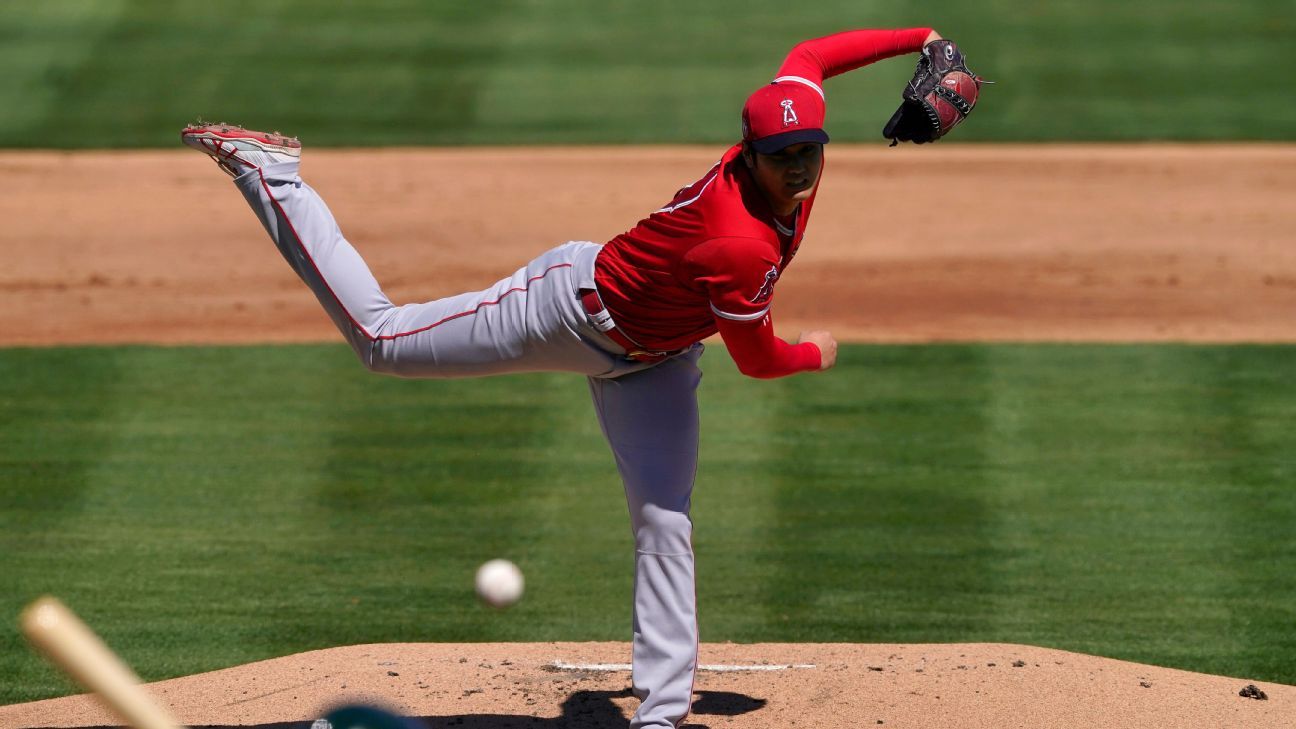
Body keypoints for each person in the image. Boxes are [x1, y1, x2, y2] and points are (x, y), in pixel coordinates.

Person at [182, 26, 942, 729]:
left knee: (664, 516)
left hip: (658, 359)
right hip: (568, 312)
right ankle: (273, 177)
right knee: (384, 341)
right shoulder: (736, 242)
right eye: (785, 157)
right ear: (750, 153)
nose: (802, 165)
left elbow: (810, 56)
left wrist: (924, 40)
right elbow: (758, 357)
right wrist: (814, 350)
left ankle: (660, 711)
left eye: (811, 148)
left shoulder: (791, 140)